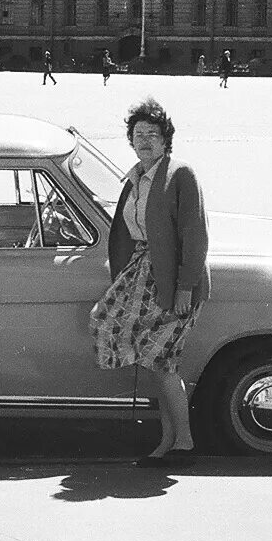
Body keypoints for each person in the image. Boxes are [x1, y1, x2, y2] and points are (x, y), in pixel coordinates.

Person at [89, 98, 211, 470]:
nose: (144, 140)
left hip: (174, 281)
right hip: (143, 274)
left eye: (152, 134)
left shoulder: (180, 175)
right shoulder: (135, 177)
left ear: (165, 139)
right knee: (149, 357)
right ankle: (168, 440)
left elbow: (195, 237)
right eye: (138, 134)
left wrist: (185, 288)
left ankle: (183, 444)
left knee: (163, 362)